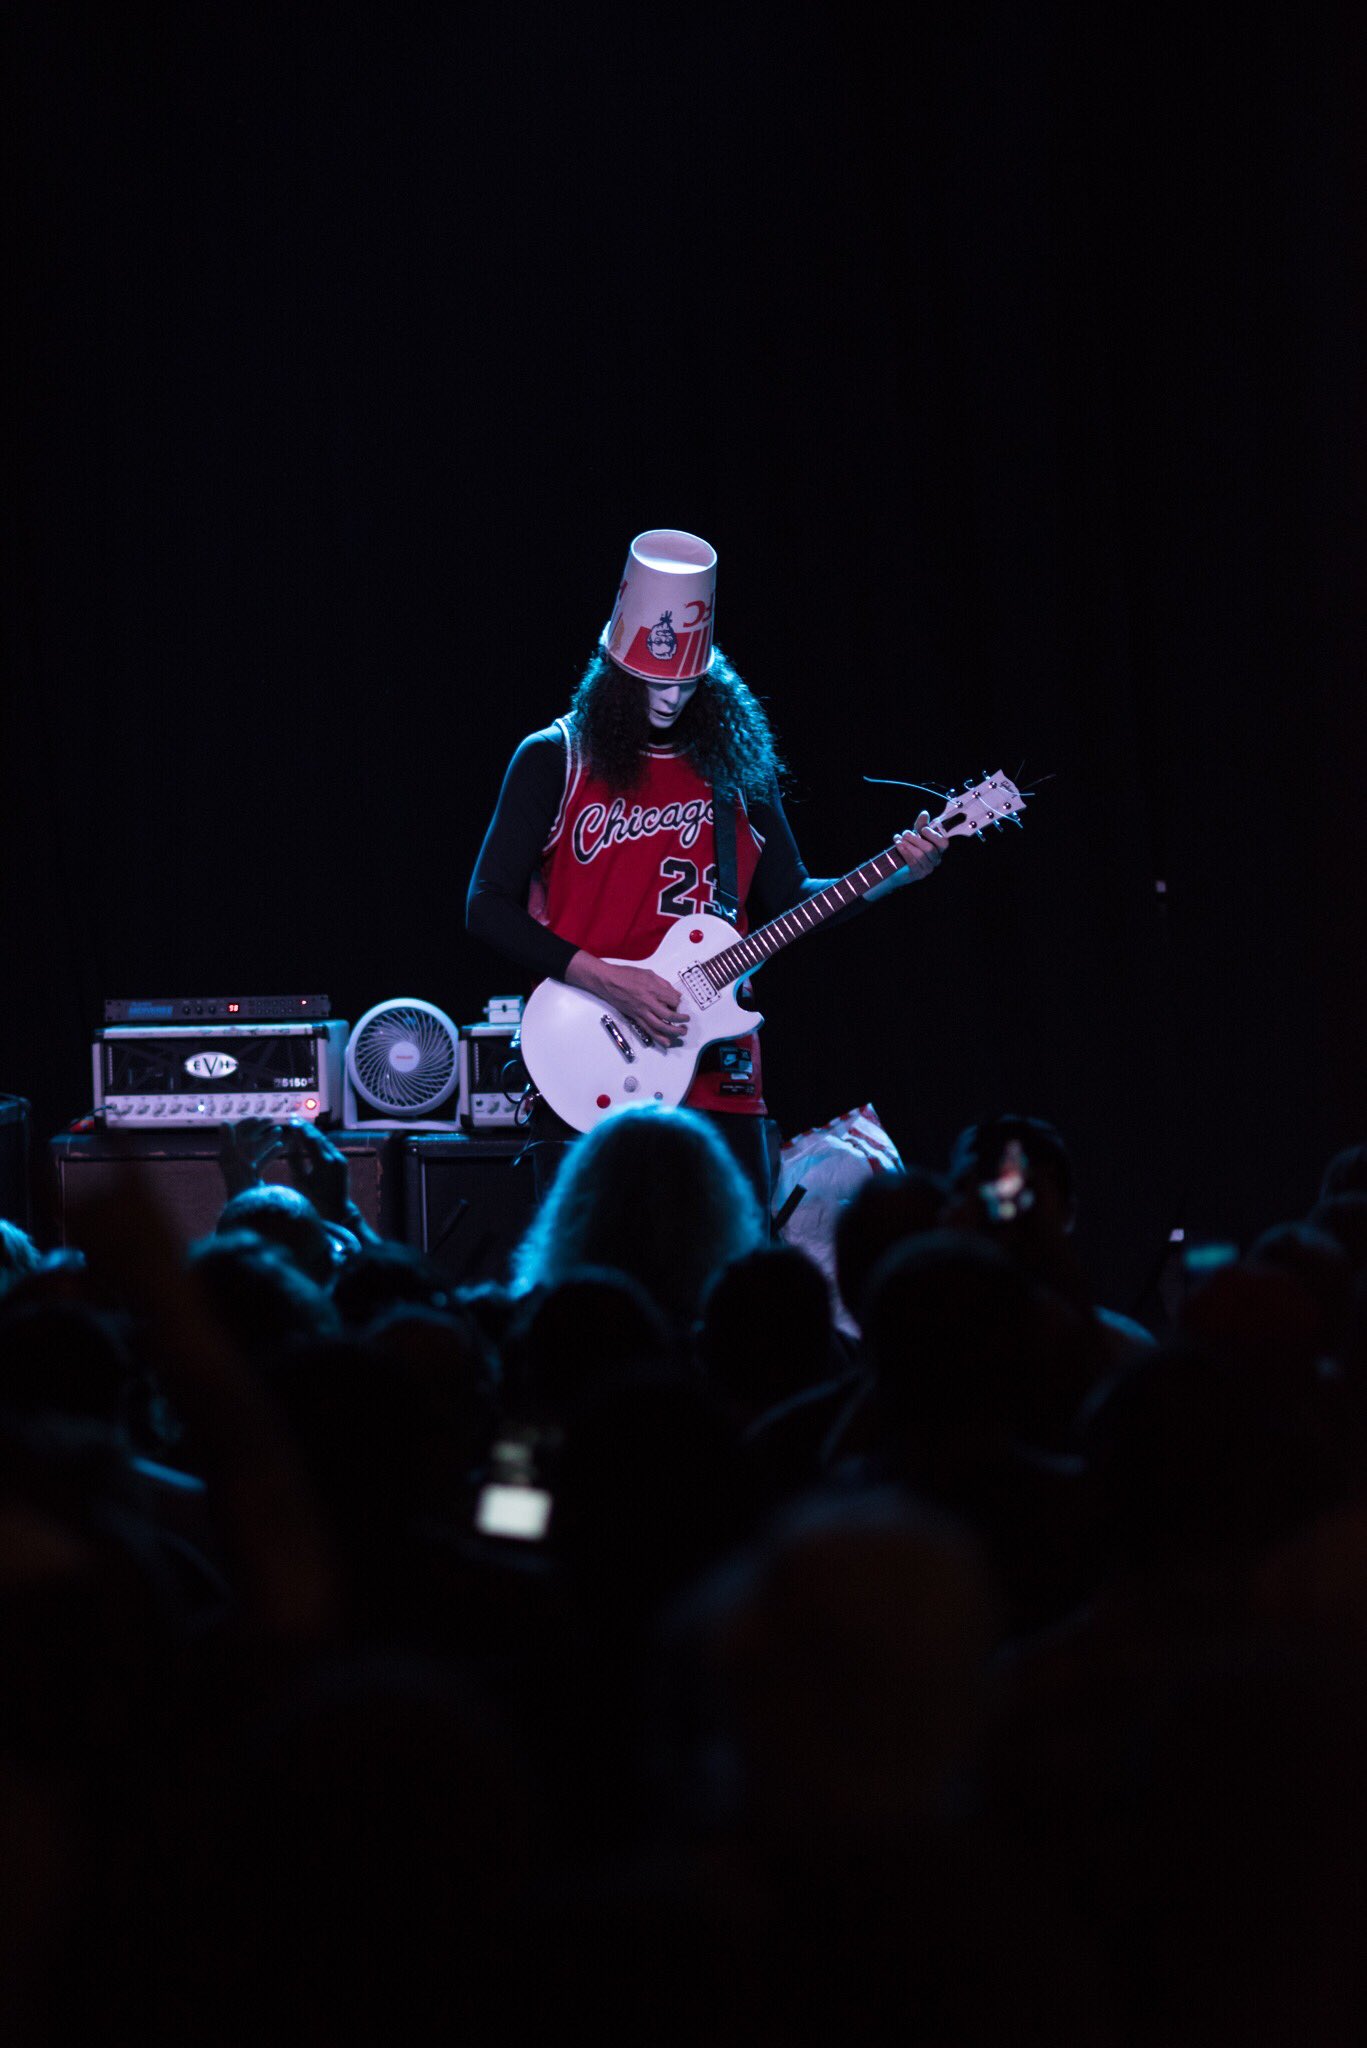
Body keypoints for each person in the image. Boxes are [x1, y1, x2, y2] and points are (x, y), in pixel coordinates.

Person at [466, 528, 947, 1198]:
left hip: (718, 1073)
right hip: (586, 1063)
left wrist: (896, 873)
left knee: (731, 1287)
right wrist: (610, 981)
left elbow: (788, 896)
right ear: (611, 671)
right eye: (649, 682)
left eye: (686, 683)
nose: (668, 698)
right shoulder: (555, 757)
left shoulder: (736, 773)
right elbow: (486, 904)